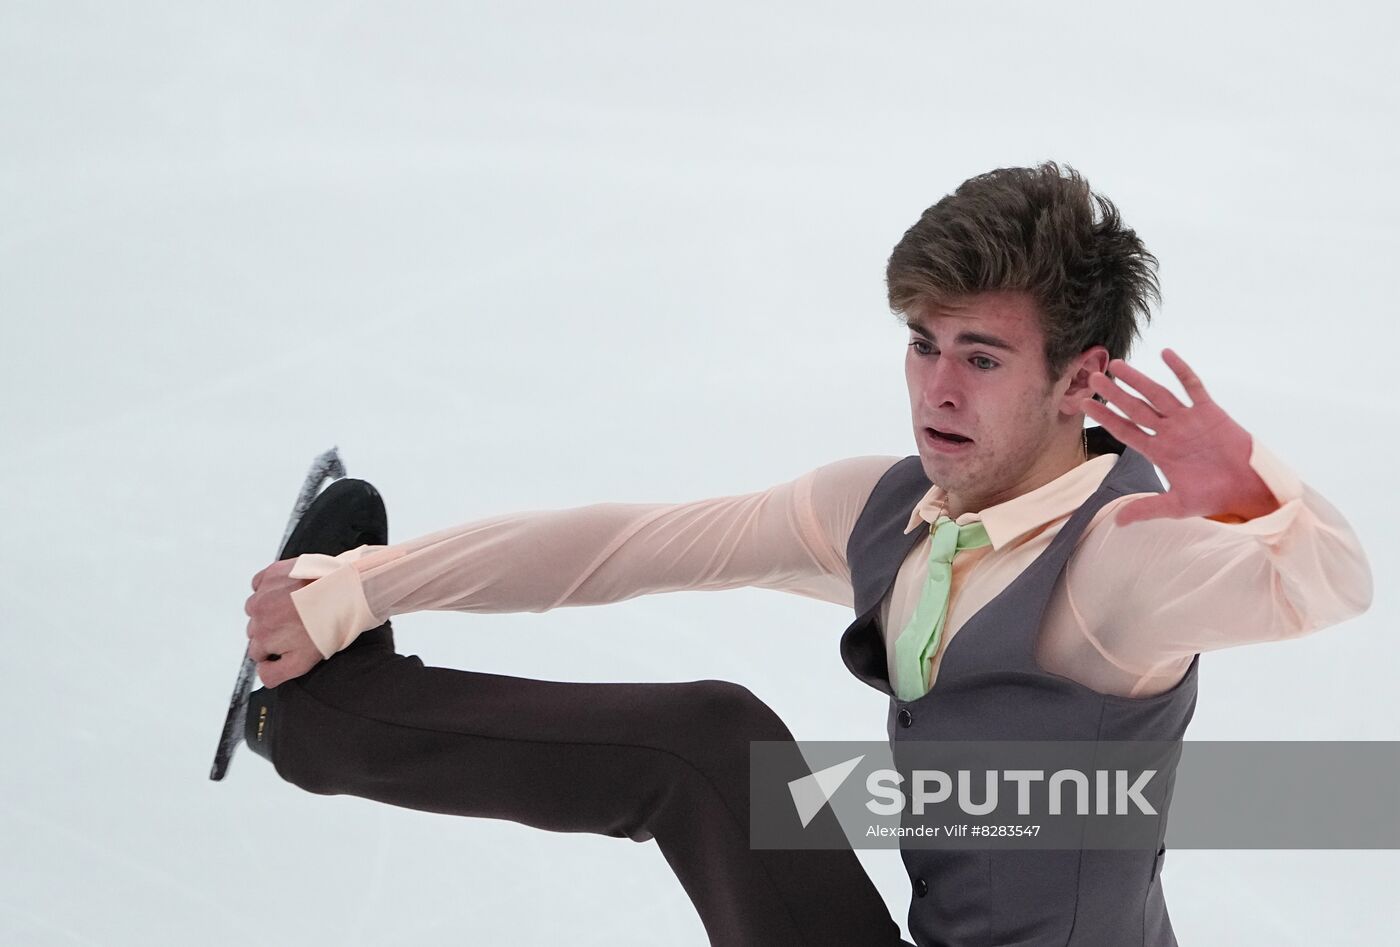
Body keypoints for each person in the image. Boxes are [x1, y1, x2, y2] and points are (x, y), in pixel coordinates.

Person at [243, 162, 1373, 946]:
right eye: (923, 344)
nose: (935, 386)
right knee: (717, 754)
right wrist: (356, 588)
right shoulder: (886, 512)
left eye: (980, 357)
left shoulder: (1120, 560)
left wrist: (1250, 491)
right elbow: (623, 547)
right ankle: (328, 708)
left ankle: (318, 726)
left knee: (705, 746)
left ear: (1080, 381)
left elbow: (1332, 583)